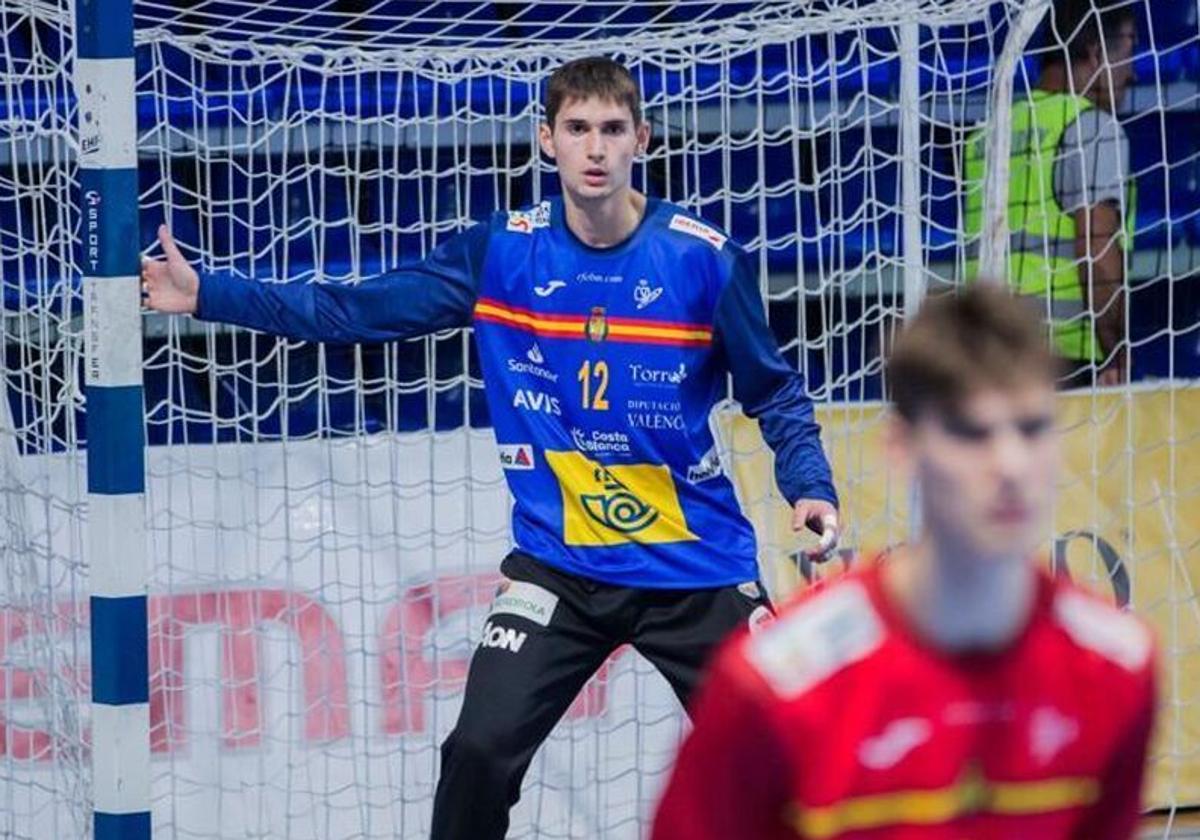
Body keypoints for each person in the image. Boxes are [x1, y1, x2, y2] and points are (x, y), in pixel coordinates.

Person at [141, 56, 841, 839]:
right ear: (547, 140)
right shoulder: (503, 254)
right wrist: (208, 295)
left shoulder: (701, 259)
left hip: (695, 570)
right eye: (578, 129)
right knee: (476, 751)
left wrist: (810, 486)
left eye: (613, 130)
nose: (596, 149)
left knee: (796, 749)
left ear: (641, 138)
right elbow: (353, 311)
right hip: (561, 574)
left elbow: (774, 392)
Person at [652, 283, 1157, 840]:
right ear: (902, 447)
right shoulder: (775, 684)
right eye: (971, 432)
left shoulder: (1119, 666)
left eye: (1032, 428)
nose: (1011, 464)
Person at [965, 0, 1138, 387]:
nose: (1133, 74)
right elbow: (1098, 251)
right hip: (1063, 363)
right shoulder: (1091, 128)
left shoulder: (987, 136)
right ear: (1095, 54)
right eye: (1130, 53)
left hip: (986, 360)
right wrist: (1117, 353)